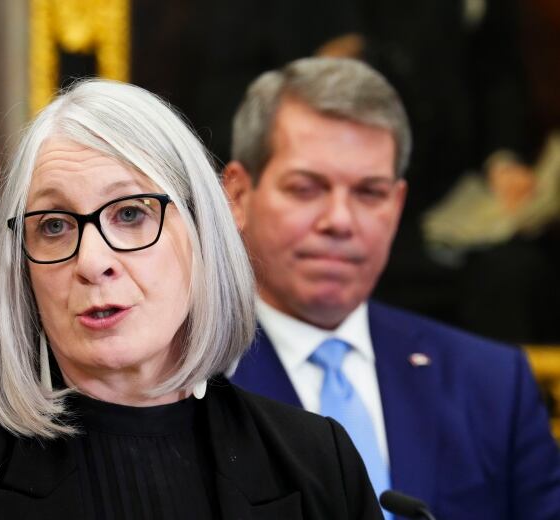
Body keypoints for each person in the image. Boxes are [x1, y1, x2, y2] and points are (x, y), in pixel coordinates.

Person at [0, 79, 383, 519]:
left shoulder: (318, 460)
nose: (92, 261)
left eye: (131, 214)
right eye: (53, 225)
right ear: (21, 268)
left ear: (204, 232)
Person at [223, 57, 560, 520]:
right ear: (238, 196)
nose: (339, 220)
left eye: (369, 193)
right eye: (306, 188)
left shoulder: (492, 385)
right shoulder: (185, 384)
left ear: (397, 204)